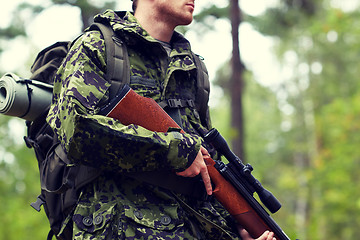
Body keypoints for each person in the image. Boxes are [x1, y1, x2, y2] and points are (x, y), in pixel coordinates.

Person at [46, 0, 275, 239]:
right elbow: (77, 130)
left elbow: (204, 169)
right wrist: (174, 150)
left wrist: (236, 228)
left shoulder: (193, 68)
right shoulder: (99, 46)